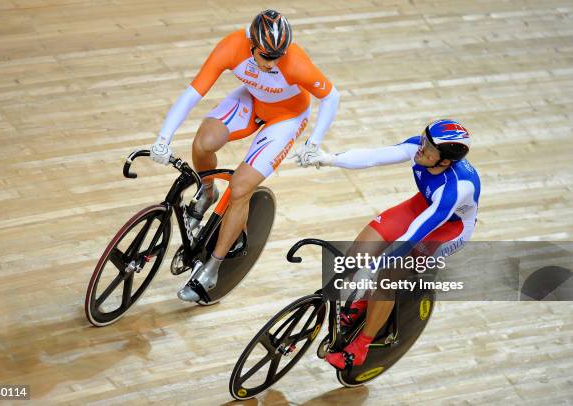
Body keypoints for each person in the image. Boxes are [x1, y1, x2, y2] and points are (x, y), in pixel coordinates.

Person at [150, 10, 340, 302]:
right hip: (252, 99)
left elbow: (331, 96)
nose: (273, 63)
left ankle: (211, 269)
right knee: (204, 143)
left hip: (287, 118)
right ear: (251, 43)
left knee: (240, 187)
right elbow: (193, 92)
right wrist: (163, 138)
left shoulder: (296, 62)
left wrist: (313, 143)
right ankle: (207, 193)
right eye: (266, 56)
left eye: (278, 56)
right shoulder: (232, 47)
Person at [299, 119, 481, 369]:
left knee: (385, 276)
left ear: (445, 161)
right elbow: (373, 157)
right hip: (421, 206)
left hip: (447, 229)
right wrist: (328, 158)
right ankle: (362, 303)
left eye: (428, 147)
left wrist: (378, 265)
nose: (421, 146)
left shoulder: (456, 189)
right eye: (423, 139)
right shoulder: (421, 149)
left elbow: (418, 232)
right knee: (357, 255)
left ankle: (361, 345)